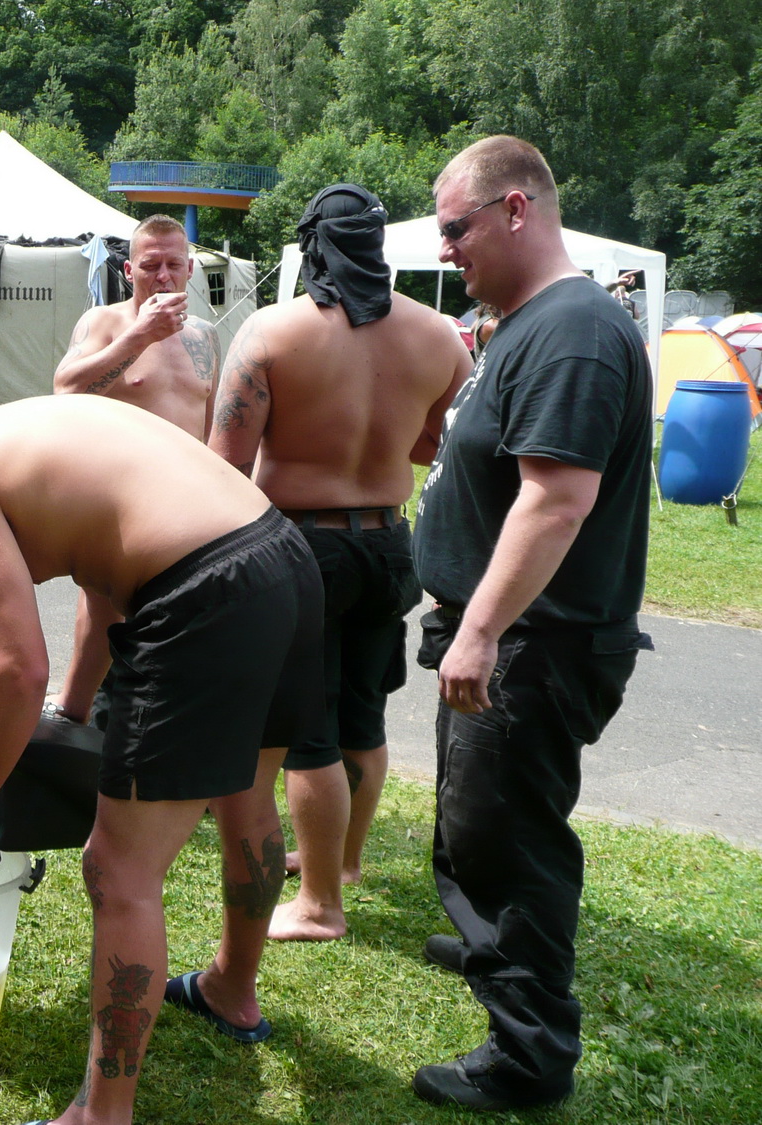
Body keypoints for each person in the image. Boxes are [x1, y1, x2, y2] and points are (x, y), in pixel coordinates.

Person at [0, 395, 324, 1125]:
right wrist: (73, 708)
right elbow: (103, 579)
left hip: (204, 594)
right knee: (247, 800)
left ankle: (102, 1115)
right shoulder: (19, 425)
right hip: (282, 558)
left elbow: (13, 670)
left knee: (118, 871)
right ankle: (230, 990)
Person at [413, 135, 653, 1111]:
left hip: (533, 641)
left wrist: (479, 632)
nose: (446, 249)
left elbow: (556, 501)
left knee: (509, 840)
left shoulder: (574, 330)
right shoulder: (523, 322)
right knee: (474, 821)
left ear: (517, 209)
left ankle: (528, 1054)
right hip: (506, 631)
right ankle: (488, 935)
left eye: (456, 228)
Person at [209, 184, 471, 942]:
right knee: (363, 713)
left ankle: (321, 903)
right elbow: (445, 445)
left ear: (314, 244)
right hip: (388, 545)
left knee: (308, 731)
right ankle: (345, 860)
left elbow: (225, 463)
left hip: (302, 545)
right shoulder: (438, 336)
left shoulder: (273, 331)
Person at [46, 213, 220, 727]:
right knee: (104, 609)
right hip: (117, 504)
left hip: (188, 507)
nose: (163, 276)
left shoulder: (205, 336)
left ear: (190, 269)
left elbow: (212, 426)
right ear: (128, 270)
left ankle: (164, 729)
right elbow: (65, 390)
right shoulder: (103, 322)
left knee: (181, 630)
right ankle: (73, 714)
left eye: (173, 265)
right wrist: (140, 336)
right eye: (150, 266)